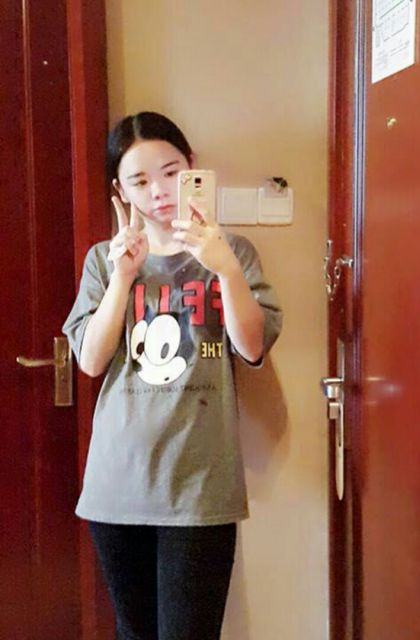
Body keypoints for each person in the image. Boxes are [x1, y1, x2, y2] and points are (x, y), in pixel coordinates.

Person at [63, 111, 282, 640]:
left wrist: (224, 267)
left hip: (200, 487)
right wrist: (123, 277)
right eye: (140, 181)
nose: (159, 191)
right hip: (117, 485)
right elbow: (91, 361)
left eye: (170, 172)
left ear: (192, 167)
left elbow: (252, 347)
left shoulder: (233, 253)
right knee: (134, 633)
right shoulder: (103, 261)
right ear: (120, 192)